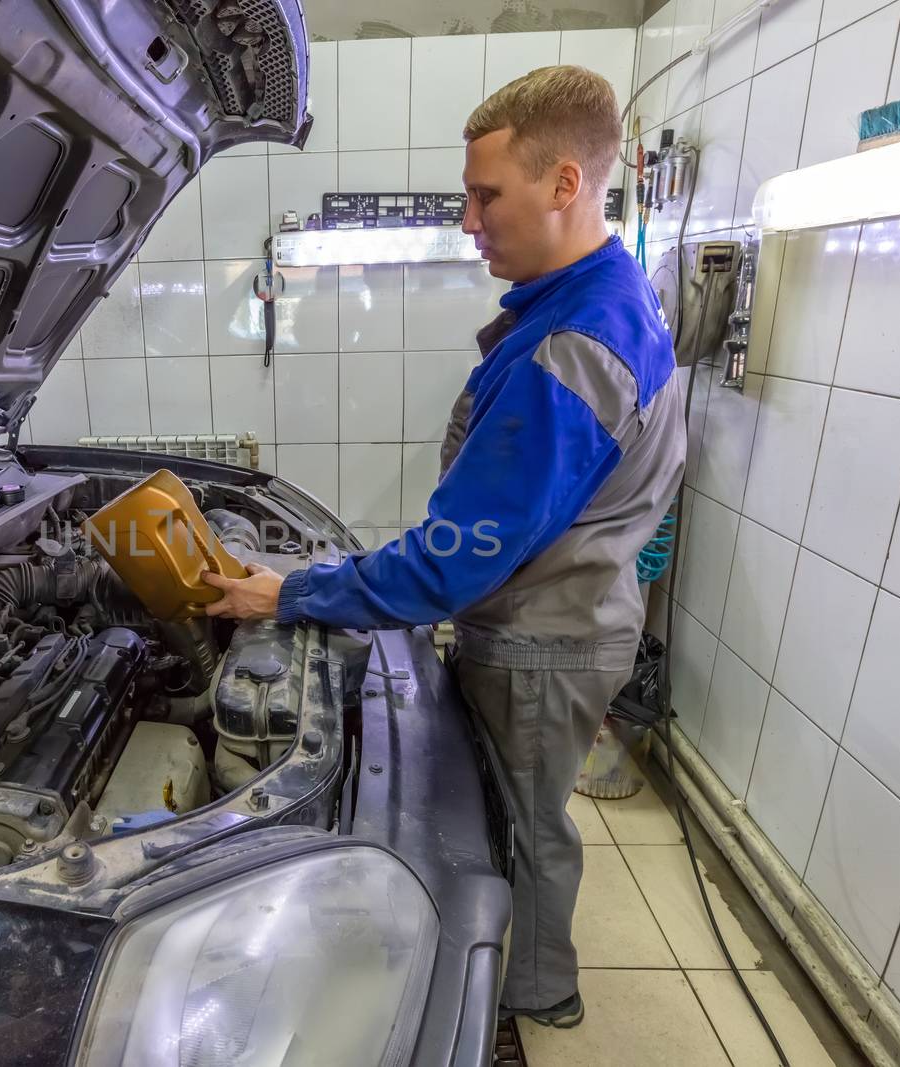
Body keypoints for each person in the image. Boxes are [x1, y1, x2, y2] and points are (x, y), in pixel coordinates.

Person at [202, 65, 685, 1029]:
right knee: (515, 814)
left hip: (544, 639)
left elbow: (456, 559)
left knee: (523, 826)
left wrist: (290, 593)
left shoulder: (574, 344)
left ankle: (533, 998)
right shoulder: (592, 302)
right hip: (564, 616)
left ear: (564, 185)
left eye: (485, 194)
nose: (468, 219)